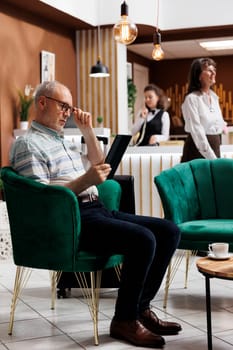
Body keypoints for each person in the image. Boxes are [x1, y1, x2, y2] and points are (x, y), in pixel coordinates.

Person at [10, 80, 181, 348]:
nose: (67, 112)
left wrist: (87, 130)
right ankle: (124, 320)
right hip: (72, 219)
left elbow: (98, 164)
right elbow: (45, 199)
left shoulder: (60, 140)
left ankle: (140, 309)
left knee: (169, 231)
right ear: (42, 102)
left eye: (69, 107)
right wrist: (85, 180)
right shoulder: (28, 144)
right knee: (144, 239)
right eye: (63, 106)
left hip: (95, 209)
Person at [181, 57, 227, 162]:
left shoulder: (214, 97)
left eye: (214, 70)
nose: (213, 73)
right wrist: (212, 158)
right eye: (209, 71)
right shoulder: (192, 99)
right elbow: (197, 131)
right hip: (198, 150)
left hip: (214, 146)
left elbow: (217, 124)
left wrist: (223, 126)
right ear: (199, 75)